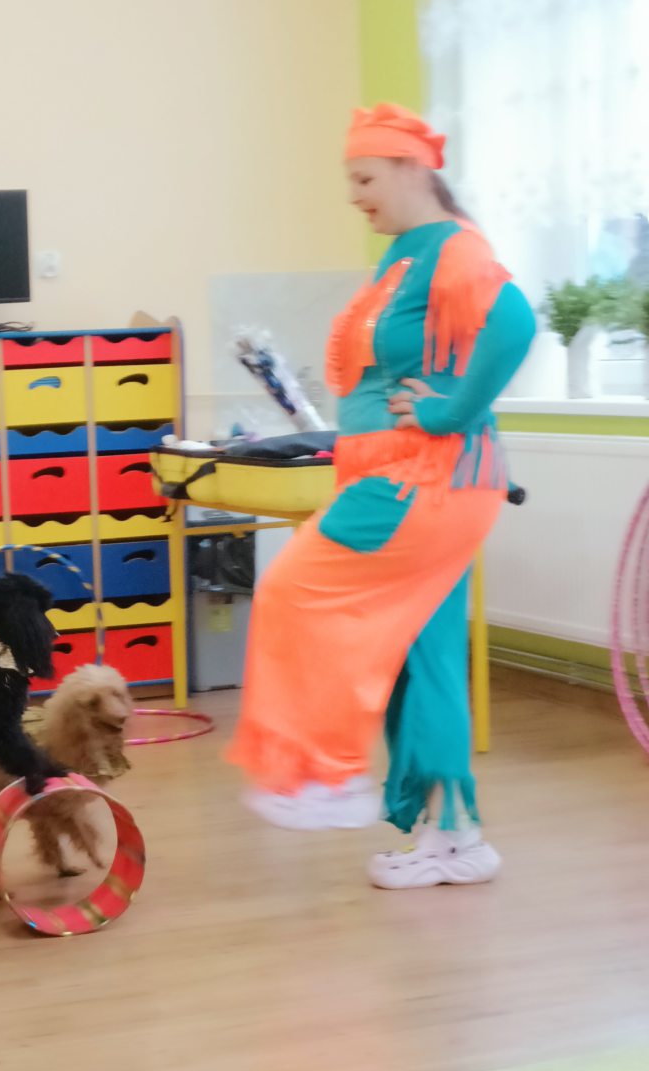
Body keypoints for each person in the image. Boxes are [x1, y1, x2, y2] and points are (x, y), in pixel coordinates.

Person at [226, 103, 536, 889]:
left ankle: (320, 773)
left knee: (293, 592)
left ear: (411, 169)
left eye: (364, 177)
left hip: (424, 481)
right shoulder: (407, 254)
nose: (353, 195)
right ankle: (456, 837)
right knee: (427, 657)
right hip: (416, 479)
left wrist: (448, 411)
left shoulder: (454, 250)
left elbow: (514, 322)